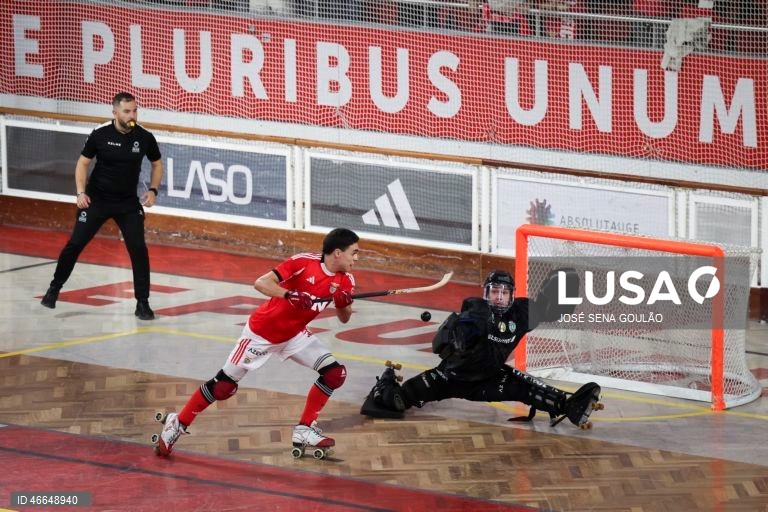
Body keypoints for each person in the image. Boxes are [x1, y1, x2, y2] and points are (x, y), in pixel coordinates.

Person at [154, 228, 360, 456]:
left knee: (334, 374)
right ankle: (177, 423)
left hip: (294, 335)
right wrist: (288, 295)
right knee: (223, 386)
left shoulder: (346, 279)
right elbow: (261, 283)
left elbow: (344, 318)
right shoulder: (303, 262)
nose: (356, 258)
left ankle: (304, 429)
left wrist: (343, 304)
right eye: (354, 252)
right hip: (261, 334)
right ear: (338, 253)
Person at [361, 269, 603, 428]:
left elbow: (548, 309)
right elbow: (447, 340)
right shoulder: (475, 312)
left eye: (504, 292)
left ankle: (571, 407)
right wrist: (458, 336)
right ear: (486, 293)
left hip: (489, 378)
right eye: (494, 291)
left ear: (511, 296)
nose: (498, 297)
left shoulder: (521, 313)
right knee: (396, 400)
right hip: (449, 378)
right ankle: (385, 384)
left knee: (530, 389)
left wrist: (563, 290)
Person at [40, 92, 163, 321]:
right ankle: (54, 289)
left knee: (138, 249)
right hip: (97, 200)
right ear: (115, 112)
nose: (132, 115)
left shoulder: (144, 137)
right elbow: (82, 163)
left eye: (135, 110)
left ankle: (143, 303)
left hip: (127, 203)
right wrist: (80, 193)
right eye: (127, 111)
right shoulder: (100, 134)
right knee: (75, 244)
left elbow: (157, 164)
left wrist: (153, 190)